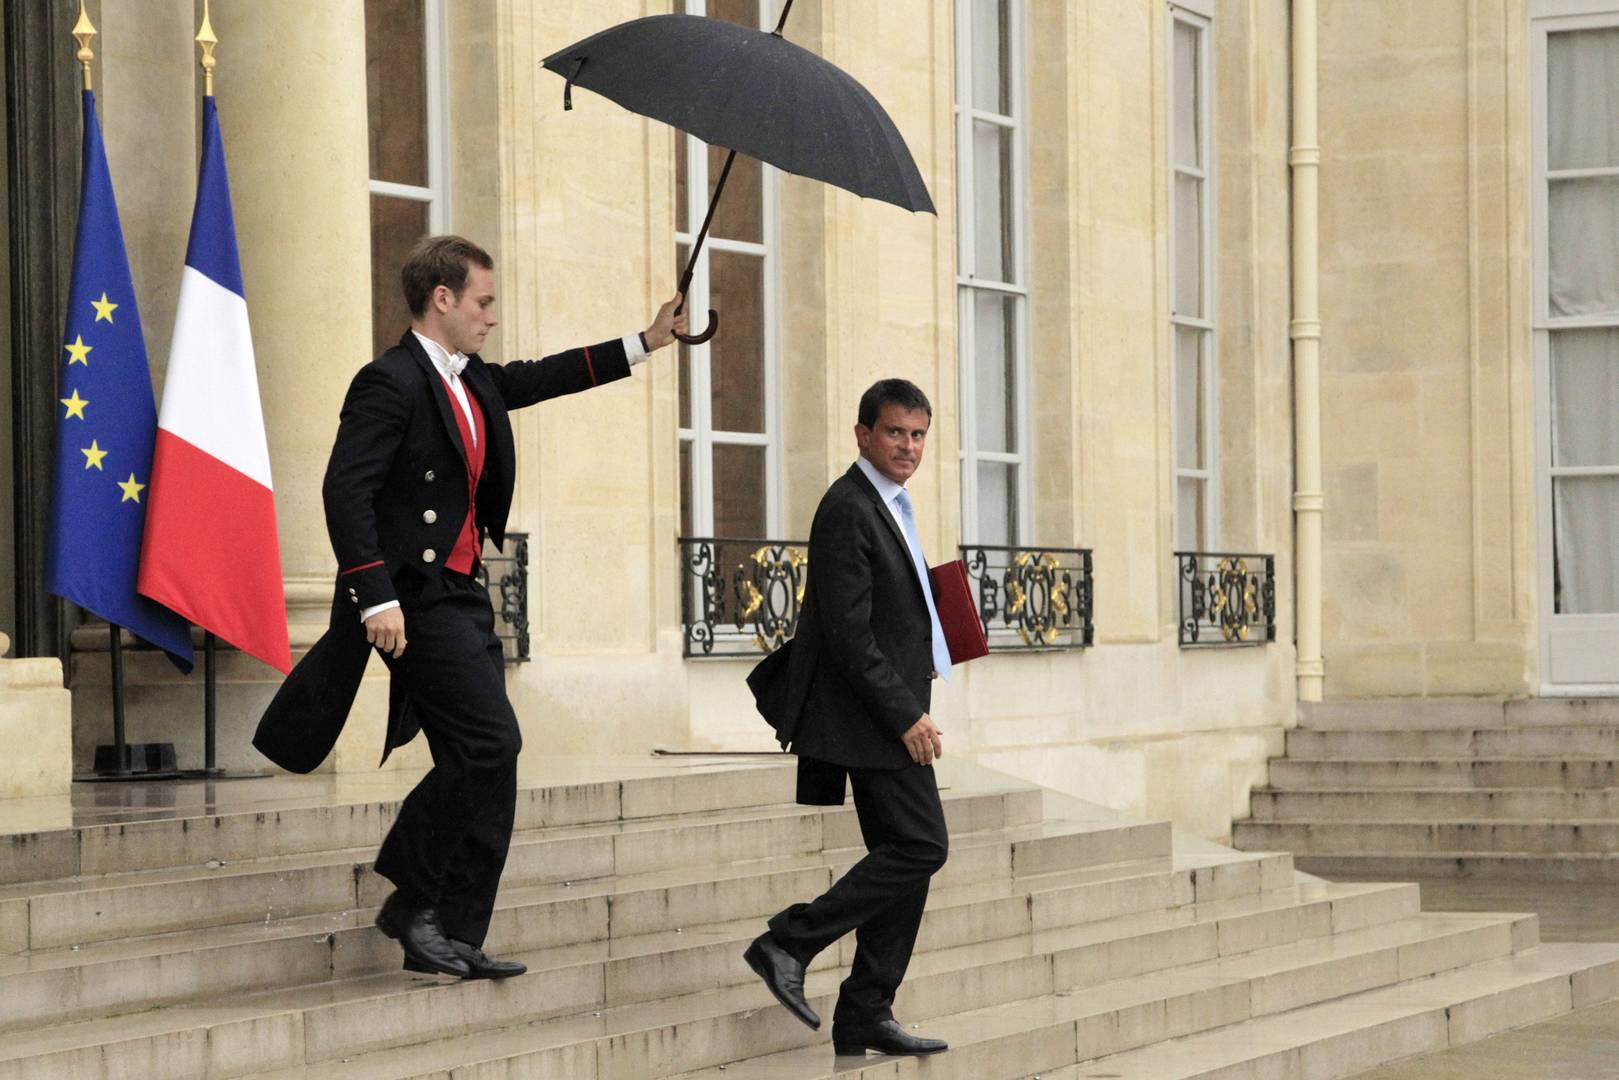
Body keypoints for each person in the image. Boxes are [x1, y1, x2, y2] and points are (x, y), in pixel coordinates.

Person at [255, 234, 684, 979]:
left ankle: (453, 929)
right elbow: (345, 490)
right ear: (442, 298)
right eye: (483, 302)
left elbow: (542, 377)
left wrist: (644, 341)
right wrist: (375, 595)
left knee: (490, 760)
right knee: (490, 745)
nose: (492, 316)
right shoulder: (388, 381)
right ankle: (409, 896)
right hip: (415, 598)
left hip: (462, 593)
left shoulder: (473, 378)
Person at [743, 378, 951, 1057]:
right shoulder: (848, 507)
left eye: (918, 435)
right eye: (895, 432)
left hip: (887, 709)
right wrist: (905, 715)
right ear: (863, 435)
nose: (908, 446)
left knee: (906, 855)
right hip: (872, 718)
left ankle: (865, 1010)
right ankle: (788, 941)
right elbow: (848, 634)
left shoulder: (888, 503)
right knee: (921, 847)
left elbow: (889, 611)